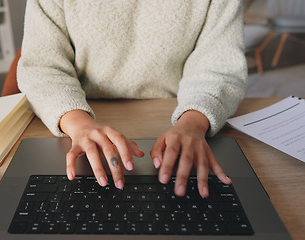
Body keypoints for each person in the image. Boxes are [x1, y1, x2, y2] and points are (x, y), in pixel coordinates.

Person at [17, 0, 247, 198]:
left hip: (179, 112)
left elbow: (220, 65)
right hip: (76, 120)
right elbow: (42, 65)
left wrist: (194, 123)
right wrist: (78, 123)